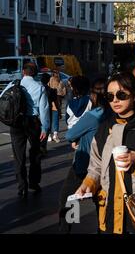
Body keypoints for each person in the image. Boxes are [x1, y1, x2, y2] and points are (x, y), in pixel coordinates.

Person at [75, 72, 135, 234]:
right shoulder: (104, 128)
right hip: (110, 211)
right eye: (110, 96)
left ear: (134, 95)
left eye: (121, 95)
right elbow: (96, 166)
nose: (115, 100)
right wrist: (88, 184)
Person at [58, 79, 110, 233]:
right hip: (105, 164)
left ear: (95, 95)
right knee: (100, 201)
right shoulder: (111, 114)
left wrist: (78, 139)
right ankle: (103, 229)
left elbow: (70, 134)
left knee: (68, 197)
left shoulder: (94, 115)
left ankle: (67, 229)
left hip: (85, 163)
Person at [0, 62, 50, 198]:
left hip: (16, 122)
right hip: (32, 122)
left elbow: (2, 98)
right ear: (35, 73)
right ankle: (34, 182)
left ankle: (22, 187)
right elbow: (44, 110)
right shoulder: (40, 87)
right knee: (35, 154)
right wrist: (45, 128)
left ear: (23, 72)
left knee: (18, 156)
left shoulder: (14, 84)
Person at [39, 73, 58, 154]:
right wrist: (59, 111)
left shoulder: (38, 89)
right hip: (48, 111)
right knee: (46, 128)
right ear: (48, 80)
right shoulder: (51, 90)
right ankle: (43, 146)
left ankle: (40, 146)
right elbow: (56, 102)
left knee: (38, 129)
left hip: (37, 112)